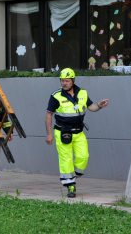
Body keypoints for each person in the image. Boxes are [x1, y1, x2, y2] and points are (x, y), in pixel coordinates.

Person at [45, 68, 109, 198]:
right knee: (66, 159)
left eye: (67, 81)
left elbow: (92, 108)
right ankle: (71, 186)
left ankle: (74, 175)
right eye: (62, 81)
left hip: (79, 133)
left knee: (83, 157)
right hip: (62, 132)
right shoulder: (56, 95)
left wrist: (100, 105)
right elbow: (48, 115)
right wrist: (49, 134)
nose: (64, 83)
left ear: (73, 81)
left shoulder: (83, 93)